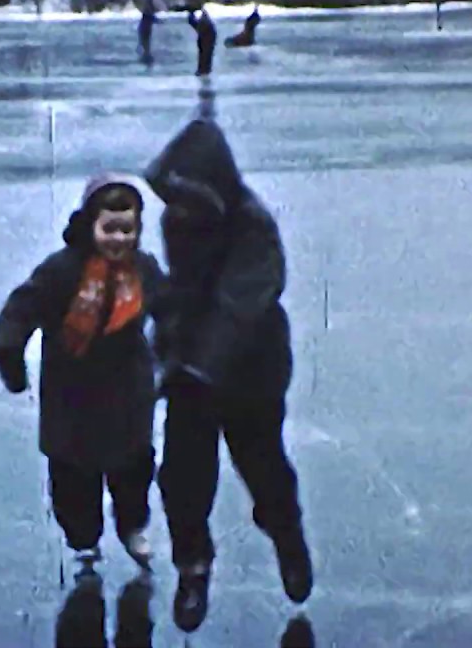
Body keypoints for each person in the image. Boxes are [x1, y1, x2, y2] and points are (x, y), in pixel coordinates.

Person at [143, 112, 314, 632]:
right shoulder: (178, 220)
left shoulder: (252, 225)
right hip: (193, 370)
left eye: (189, 197)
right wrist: (161, 335)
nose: (180, 210)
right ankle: (193, 566)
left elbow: (239, 304)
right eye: (174, 199)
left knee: (263, 468)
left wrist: (200, 364)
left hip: (251, 371)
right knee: (182, 478)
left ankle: (286, 535)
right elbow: (185, 290)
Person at [0, 173, 167, 570]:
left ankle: (133, 526)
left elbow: (173, 313)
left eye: (127, 230)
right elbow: (20, 311)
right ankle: (83, 540)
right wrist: (9, 357)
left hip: (127, 393)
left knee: (133, 469)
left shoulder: (144, 270)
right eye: (110, 229)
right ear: (91, 225)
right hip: (73, 394)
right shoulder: (62, 270)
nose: (119, 239)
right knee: (73, 476)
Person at [187, 6, 217, 76]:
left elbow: (199, 27)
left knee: (205, 54)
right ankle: (204, 70)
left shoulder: (204, 20)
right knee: (205, 54)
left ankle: (204, 70)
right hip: (206, 38)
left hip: (207, 38)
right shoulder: (204, 19)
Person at [138, 0, 160, 66]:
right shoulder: (148, 11)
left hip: (144, 29)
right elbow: (152, 18)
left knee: (145, 43)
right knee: (146, 43)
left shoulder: (147, 11)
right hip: (145, 29)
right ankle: (146, 56)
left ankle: (145, 55)